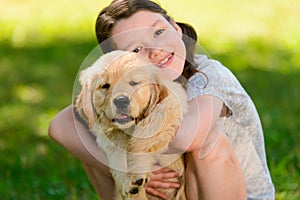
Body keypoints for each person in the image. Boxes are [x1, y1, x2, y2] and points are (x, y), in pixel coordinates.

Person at [48, 0, 275, 199]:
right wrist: (120, 167)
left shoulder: (208, 75)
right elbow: (60, 126)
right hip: (173, 187)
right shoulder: (130, 89)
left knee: (208, 136)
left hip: (242, 195)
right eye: (136, 49)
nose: (155, 50)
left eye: (159, 32)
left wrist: (137, 160)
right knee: (94, 133)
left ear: (175, 28)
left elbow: (187, 139)